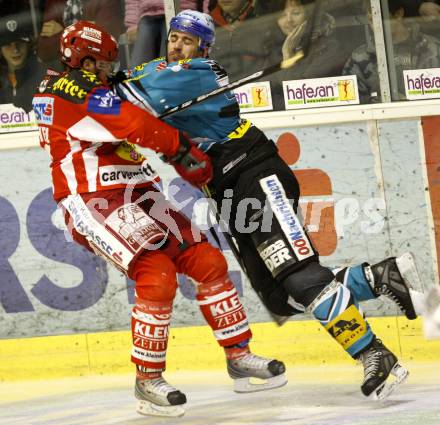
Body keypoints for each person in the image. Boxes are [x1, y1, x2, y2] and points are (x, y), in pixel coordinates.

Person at [116, 9, 423, 400]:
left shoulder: (196, 72)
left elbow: (127, 102)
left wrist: (94, 85)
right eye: (174, 37)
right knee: (284, 296)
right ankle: (381, 277)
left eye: (187, 41)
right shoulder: (161, 68)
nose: (177, 45)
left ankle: (375, 355)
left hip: (255, 173)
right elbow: (135, 88)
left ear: (203, 47)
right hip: (225, 188)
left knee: (299, 275)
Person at [32, 20, 286, 418]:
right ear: (83, 58)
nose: (106, 70)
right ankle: (148, 380)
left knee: (208, 260)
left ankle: (239, 355)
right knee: (157, 274)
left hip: (138, 191)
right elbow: (131, 123)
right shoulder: (68, 90)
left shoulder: (89, 85)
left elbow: (132, 109)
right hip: (92, 199)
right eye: (101, 63)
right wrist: (179, 149)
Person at [342, 0, 440, 103]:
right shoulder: (359, 57)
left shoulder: (433, 49)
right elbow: (348, 101)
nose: (374, 23)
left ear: (398, 14)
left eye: (378, 16)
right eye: (370, 18)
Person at [270, 0, 348, 109]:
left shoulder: (330, 49)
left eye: (296, 13)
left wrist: (288, 56)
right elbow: (265, 97)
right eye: (282, 15)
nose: (288, 20)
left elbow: (300, 97)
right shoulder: (272, 52)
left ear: (311, 17)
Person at [36, 0, 124, 71]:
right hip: (63, 75)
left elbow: (104, 43)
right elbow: (43, 53)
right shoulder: (54, 2)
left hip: (98, 75)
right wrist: (88, 28)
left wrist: (62, 32)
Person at [124, 0, 209, 67]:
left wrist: (206, 20)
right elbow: (132, 1)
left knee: (170, 65)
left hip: (180, 12)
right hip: (147, 14)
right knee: (139, 64)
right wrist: (132, 24)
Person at [0, 12, 44, 111]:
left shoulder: (46, 77)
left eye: (20, 42)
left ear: (29, 44)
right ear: (0, 50)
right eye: (7, 44)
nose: (15, 49)